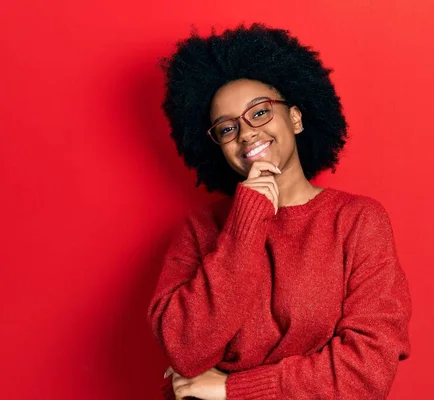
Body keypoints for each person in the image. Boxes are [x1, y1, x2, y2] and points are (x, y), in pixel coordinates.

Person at [147, 22, 412, 400]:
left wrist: (231, 387)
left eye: (259, 113)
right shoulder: (200, 227)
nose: (246, 133)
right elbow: (186, 349)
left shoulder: (357, 220)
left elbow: (367, 370)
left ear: (296, 118)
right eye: (226, 128)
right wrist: (248, 220)